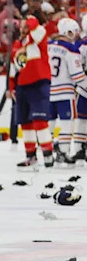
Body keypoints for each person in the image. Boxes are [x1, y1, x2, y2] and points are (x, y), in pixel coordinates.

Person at [9, 12, 52, 170]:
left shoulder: (39, 37)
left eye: (25, 26)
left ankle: (48, 155)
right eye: (21, 26)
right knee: (25, 122)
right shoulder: (17, 44)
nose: (23, 29)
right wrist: (11, 86)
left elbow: (37, 28)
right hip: (22, 86)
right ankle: (30, 156)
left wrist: (30, 20)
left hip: (38, 84)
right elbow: (14, 67)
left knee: (40, 121)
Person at [47, 18, 85, 164]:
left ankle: (46, 153)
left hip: (49, 91)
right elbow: (77, 75)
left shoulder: (48, 46)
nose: (76, 36)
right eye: (74, 33)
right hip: (65, 93)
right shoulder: (71, 49)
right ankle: (63, 153)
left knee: (48, 124)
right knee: (66, 123)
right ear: (68, 32)